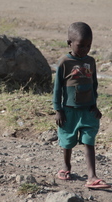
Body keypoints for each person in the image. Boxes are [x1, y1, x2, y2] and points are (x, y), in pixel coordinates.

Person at [53, 22, 111, 188]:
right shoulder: (64, 62)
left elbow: (93, 85)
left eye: (88, 45)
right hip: (69, 111)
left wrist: (95, 105)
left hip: (87, 110)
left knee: (89, 140)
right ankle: (66, 166)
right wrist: (58, 110)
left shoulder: (91, 62)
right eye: (81, 45)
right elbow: (57, 88)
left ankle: (92, 176)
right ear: (69, 43)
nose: (85, 49)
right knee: (67, 141)